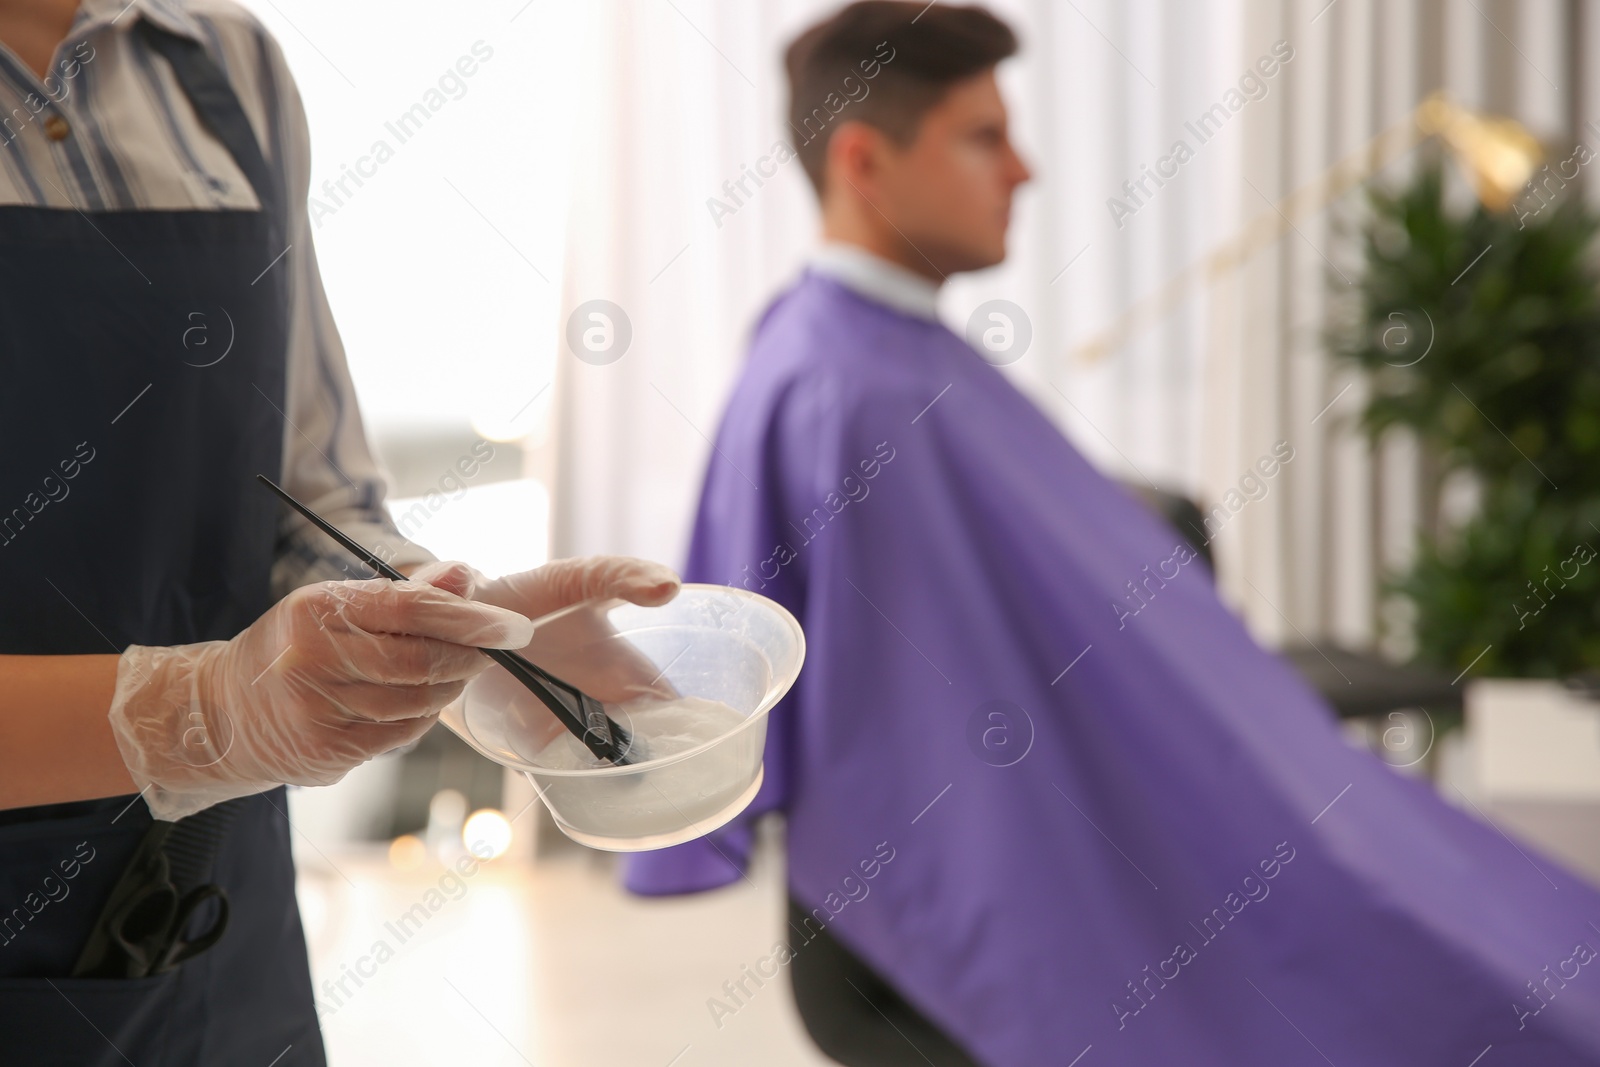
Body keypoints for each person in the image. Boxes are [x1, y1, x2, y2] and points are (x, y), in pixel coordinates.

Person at [623, 3, 1600, 1065]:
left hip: (1040, 853)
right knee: (1434, 951)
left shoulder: (878, 356)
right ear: (864, 159)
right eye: (984, 138)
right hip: (962, 928)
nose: (1025, 170)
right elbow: (921, 747)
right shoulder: (845, 394)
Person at [0, 1, 679, 1064]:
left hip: (213, 918)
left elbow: (306, 492)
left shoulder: (226, 68)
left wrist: (449, 624)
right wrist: (203, 708)